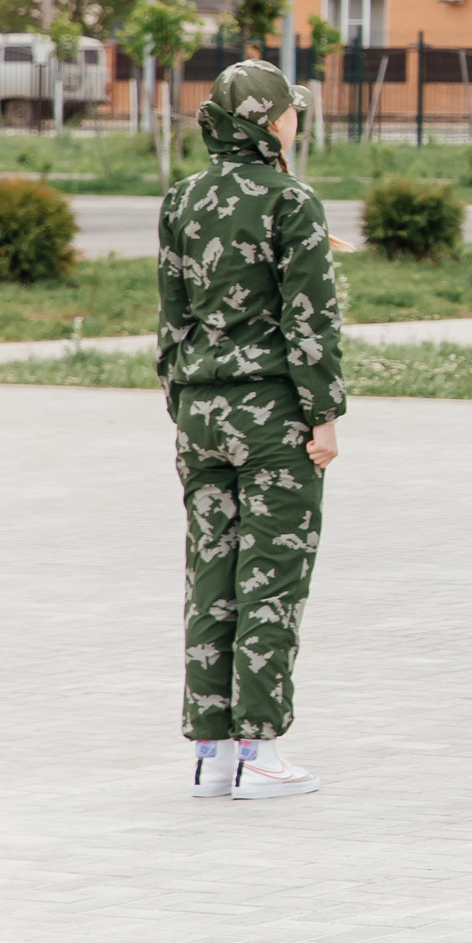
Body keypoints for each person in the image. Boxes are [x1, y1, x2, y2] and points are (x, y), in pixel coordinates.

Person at [162, 60, 342, 799]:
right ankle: (260, 750)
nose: (297, 120)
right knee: (271, 575)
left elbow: (172, 313)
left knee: (211, 575)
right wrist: (324, 413)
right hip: (273, 414)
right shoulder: (291, 200)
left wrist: (183, 397)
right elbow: (311, 318)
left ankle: (210, 750)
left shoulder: (182, 198)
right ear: (271, 121)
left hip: (201, 411)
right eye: (291, 111)